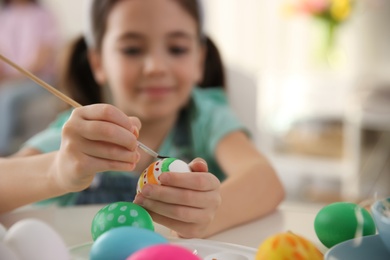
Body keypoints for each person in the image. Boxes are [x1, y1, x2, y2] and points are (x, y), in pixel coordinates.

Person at [0, 0, 285, 238]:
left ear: (199, 61)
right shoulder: (82, 134)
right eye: (132, 50)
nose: (156, 67)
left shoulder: (205, 117)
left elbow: (266, 181)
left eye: (177, 48)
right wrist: (59, 170)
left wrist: (210, 214)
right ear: (98, 62)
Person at [0, 0, 61, 156]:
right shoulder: (4, 16)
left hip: (39, 77)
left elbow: (44, 54)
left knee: (8, 97)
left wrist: (17, 77)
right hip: (11, 80)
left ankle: (2, 151)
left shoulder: (43, 15)